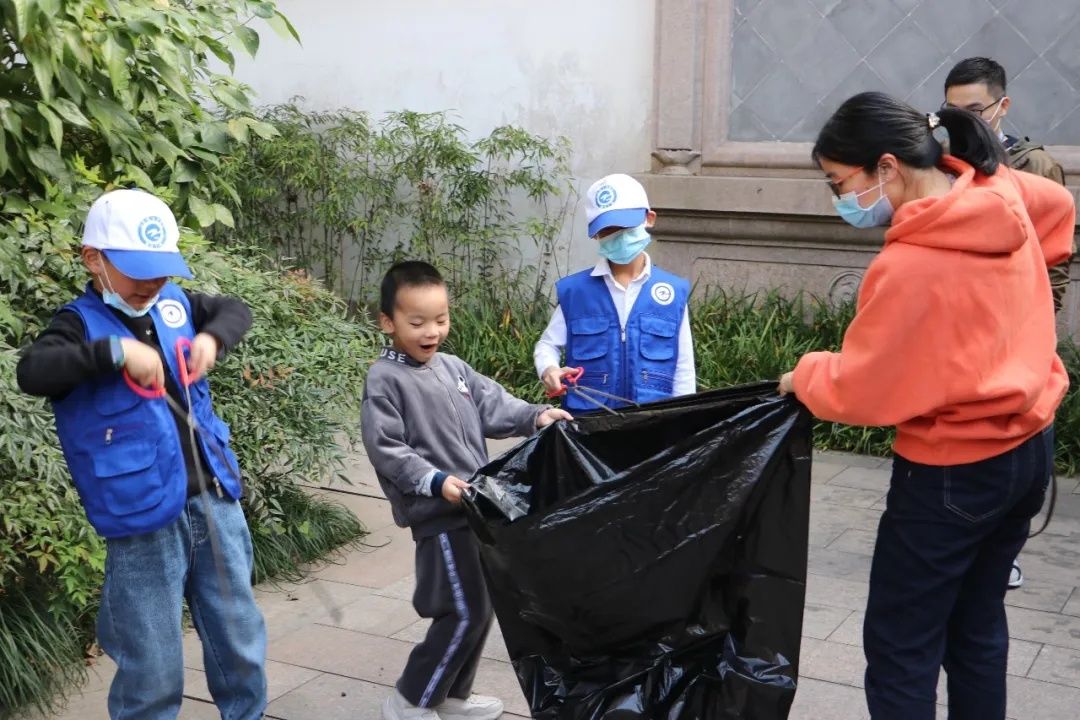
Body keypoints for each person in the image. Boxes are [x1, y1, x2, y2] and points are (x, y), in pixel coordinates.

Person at [777, 92, 1075, 719]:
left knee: (901, 647)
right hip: (1028, 450)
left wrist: (804, 376)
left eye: (839, 182)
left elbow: (863, 388)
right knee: (977, 624)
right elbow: (1059, 206)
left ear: (886, 167)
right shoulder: (1001, 192)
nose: (839, 199)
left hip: (953, 472)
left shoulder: (911, 265)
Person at [16, 189, 267, 719]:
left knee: (240, 638)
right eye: (136, 271)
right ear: (94, 259)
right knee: (151, 662)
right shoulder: (78, 325)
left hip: (215, 501)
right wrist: (114, 352)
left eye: (161, 269)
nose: (152, 282)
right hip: (143, 521)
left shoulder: (175, 302)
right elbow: (32, 371)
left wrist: (214, 340)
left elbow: (233, 310)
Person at [361, 261, 571, 720]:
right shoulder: (385, 379)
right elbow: (386, 449)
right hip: (441, 516)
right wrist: (436, 482)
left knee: (483, 608)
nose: (431, 330)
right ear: (388, 322)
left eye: (440, 319)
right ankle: (411, 699)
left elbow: (494, 404)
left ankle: (452, 696)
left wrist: (537, 416)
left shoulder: (453, 368)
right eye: (416, 322)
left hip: (476, 509)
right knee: (461, 611)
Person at [944, 55, 1073, 588]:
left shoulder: (1035, 167)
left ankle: (1005, 550)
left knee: (1018, 440)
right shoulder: (948, 162)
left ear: (1002, 106)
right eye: (951, 111)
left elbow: (1056, 265)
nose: (965, 121)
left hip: (1021, 332)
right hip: (964, 333)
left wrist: (1032, 323)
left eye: (974, 110)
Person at [534, 173, 696, 410]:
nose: (617, 235)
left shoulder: (671, 293)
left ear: (648, 219)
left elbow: (683, 368)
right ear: (596, 234)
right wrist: (548, 369)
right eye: (608, 230)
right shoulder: (576, 292)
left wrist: (684, 422)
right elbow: (547, 345)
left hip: (655, 424)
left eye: (625, 225)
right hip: (589, 425)